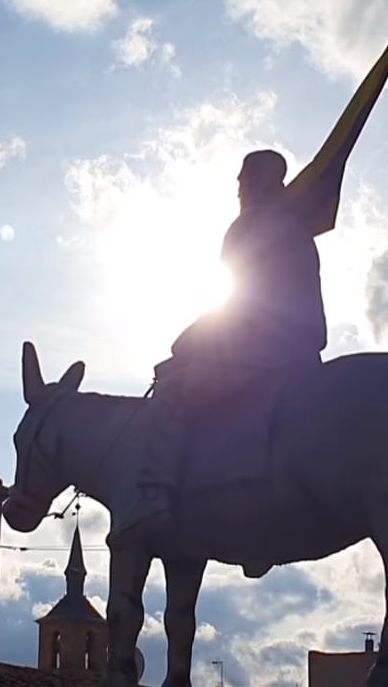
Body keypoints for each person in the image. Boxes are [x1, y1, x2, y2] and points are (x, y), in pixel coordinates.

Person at [106, 148, 328, 550]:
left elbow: (243, 301)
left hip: (265, 349)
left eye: (242, 178)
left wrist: (190, 339)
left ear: (261, 180)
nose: (237, 187)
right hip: (301, 346)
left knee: (173, 390)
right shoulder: (295, 229)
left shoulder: (248, 228)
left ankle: (155, 492)